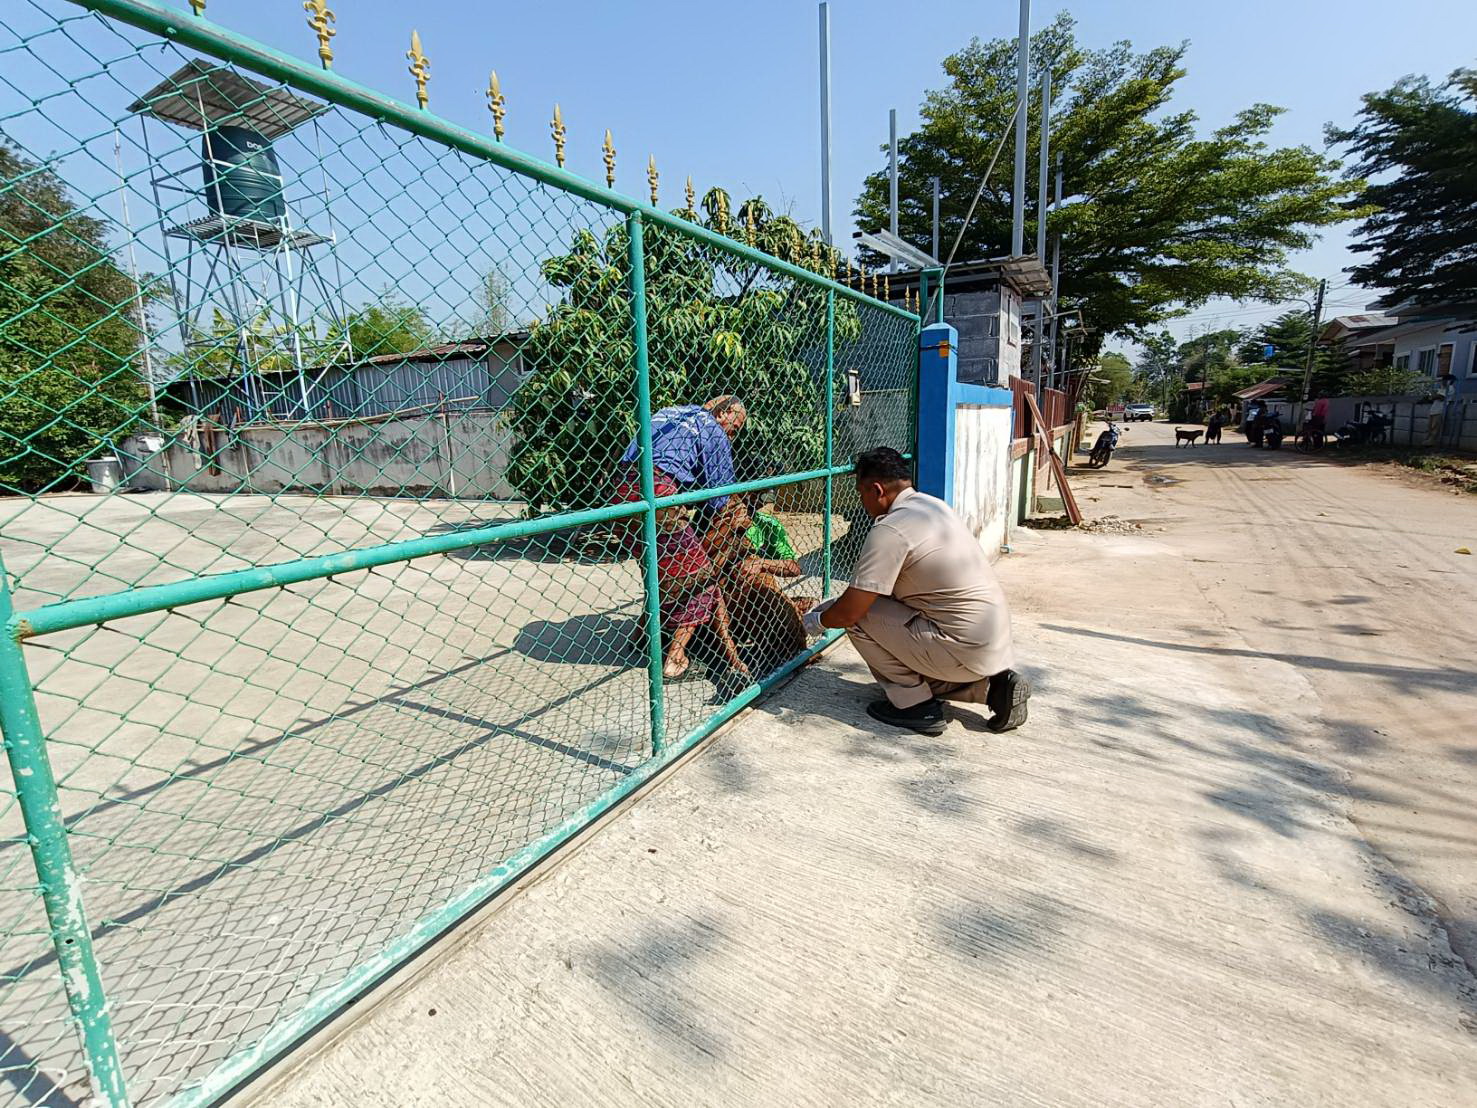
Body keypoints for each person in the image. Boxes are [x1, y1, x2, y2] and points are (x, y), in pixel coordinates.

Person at [801, 447, 1029, 736]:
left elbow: (851, 612)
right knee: (863, 609)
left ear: (876, 489)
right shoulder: (934, 507)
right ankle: (994, 689)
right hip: (991, 644)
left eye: (861, 493)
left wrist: (815, 621)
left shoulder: (891, 529)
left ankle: (914, 706)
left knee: (858, 618)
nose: (861, 502)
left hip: (960, 647)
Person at [615, 396, 751, 682]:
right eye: (734, 428)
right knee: (701, 581)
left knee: (662, 576)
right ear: (724, 412)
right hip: (657, 493)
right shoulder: (710, 426)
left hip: (620, 492)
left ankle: (641, 640)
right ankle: (675, 660)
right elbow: (720, 496)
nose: (731, 436)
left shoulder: (670, 413)